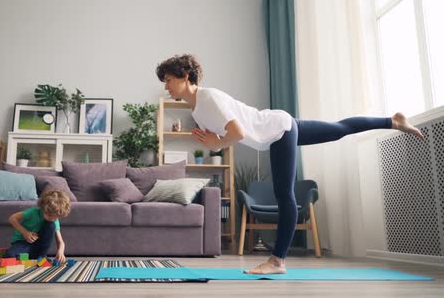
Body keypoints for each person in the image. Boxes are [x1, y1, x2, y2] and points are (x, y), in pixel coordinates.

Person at [156, 54, 425, 274]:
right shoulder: (197, 110)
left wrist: (216, 144)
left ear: (185, 76)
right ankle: (392, 121)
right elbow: (225, 136)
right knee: (338, 128)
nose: (166, 86)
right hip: (279, 127)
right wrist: (215, 142)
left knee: (284, 194)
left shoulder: (207, 98)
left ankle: (277, 261)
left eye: (168, 80)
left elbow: (235, 134)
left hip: (277, 131)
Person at [5, 190, 71, 263]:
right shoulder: (33, 212)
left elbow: (60, 241)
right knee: (9, 256)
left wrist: (61, 251)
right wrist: (25, 233)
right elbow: (12, 218)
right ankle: (34, 258)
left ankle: (41, 256)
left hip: (39, 247)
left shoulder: (54, 220)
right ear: (43, 209)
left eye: (56, 217)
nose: (53, 219)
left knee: (51, 225)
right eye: (50, 216)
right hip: (23, 242)